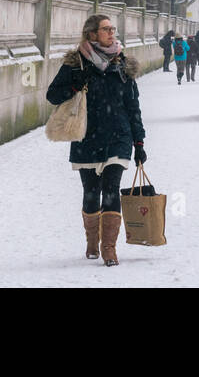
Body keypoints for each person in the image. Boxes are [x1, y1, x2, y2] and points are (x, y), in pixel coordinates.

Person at [45, 14, 146, 266]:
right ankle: (92, 240)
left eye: (113, 29)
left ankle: (109, 248)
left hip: (118, 136)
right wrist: (73, 87)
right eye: (106, 29)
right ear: (91, 34)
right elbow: (52, 95)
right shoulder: (76, 63)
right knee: (91, 192)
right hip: (87, 137)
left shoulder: (123, 64)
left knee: (111, 188)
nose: (112, 33)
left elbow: (133, 106)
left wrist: (139, 142)